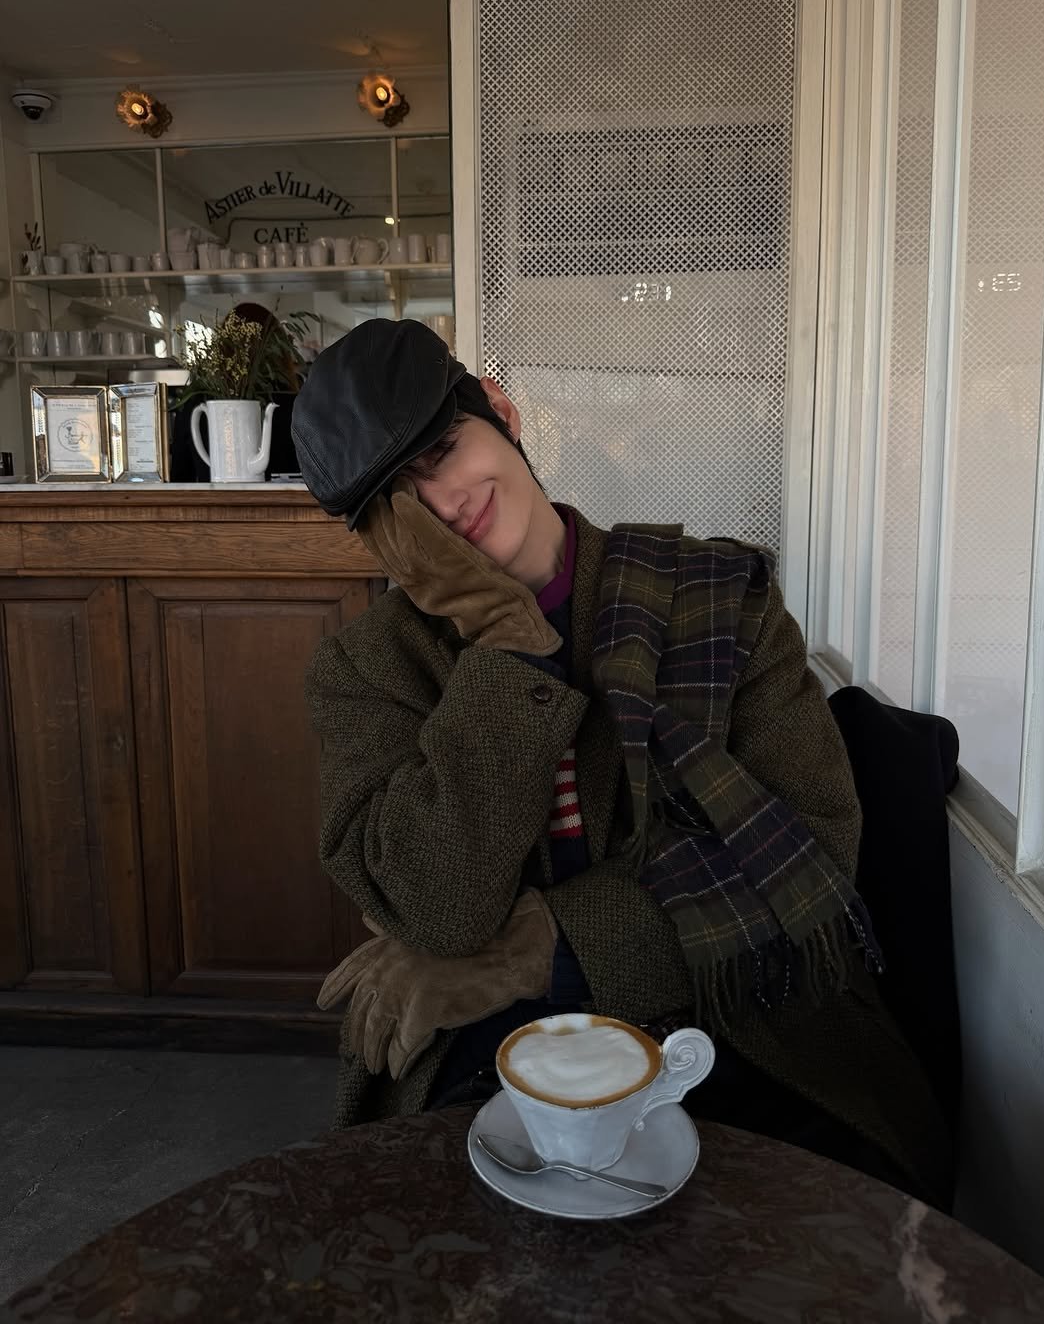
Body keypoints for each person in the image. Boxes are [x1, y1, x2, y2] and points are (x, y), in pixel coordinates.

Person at [292, 318, 951, 1207]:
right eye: (396, 504)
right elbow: (431, 906)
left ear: (502, 412)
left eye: (444, 450)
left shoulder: (722, 598)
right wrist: (505, 645)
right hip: (487, 1048)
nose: (444, 505)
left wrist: (541, 947)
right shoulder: (367, 670)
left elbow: (812, 860)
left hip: (744, 1022)